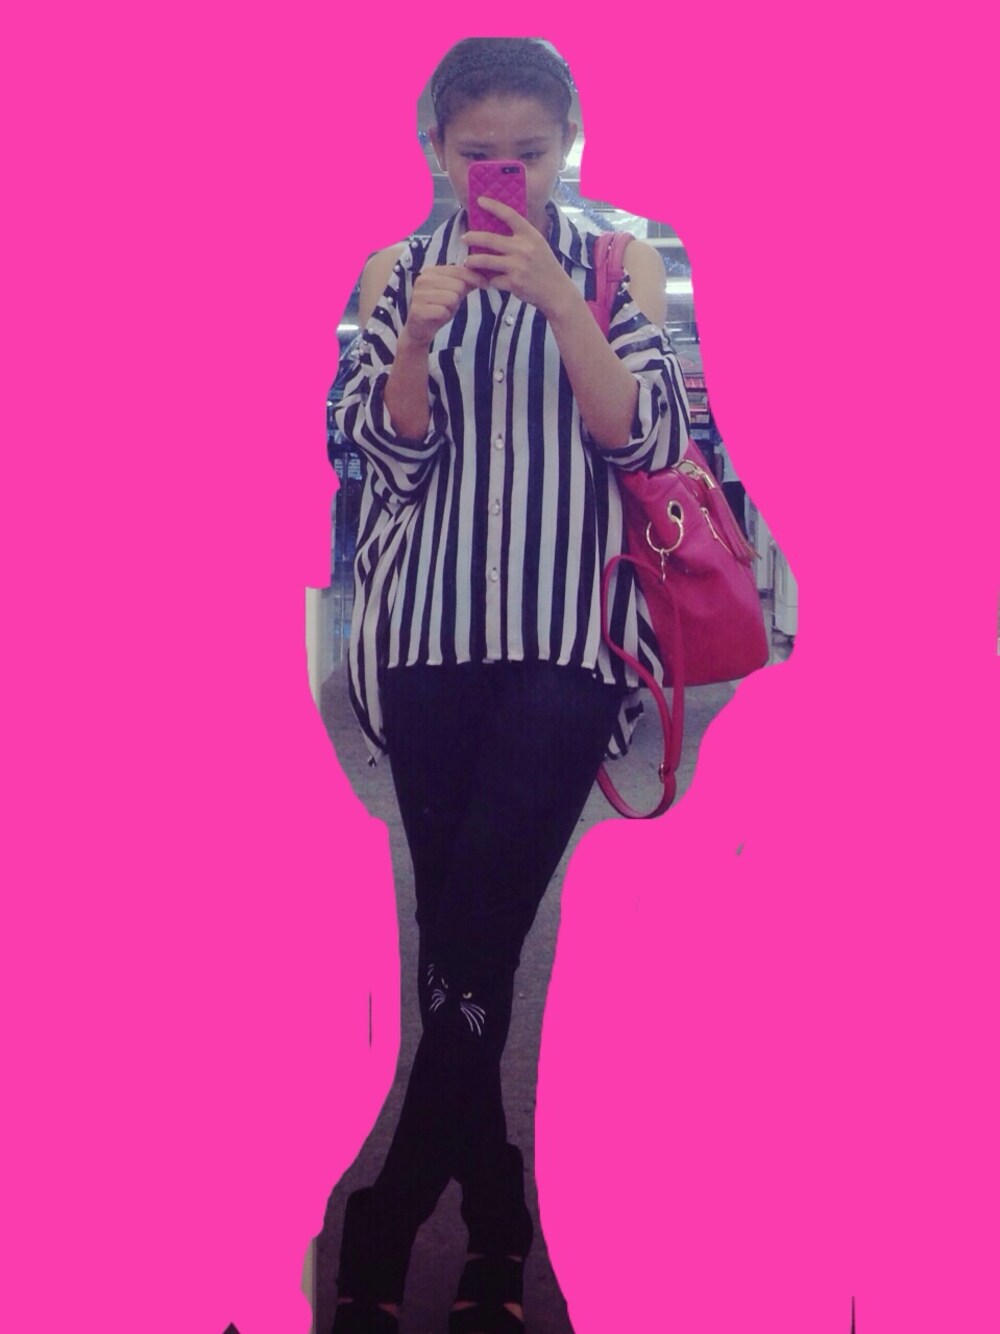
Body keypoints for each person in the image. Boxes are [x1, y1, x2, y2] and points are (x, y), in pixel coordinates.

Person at [329, 37, 690, 1334]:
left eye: (530, 157)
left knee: (478, 933)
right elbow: (378, 461)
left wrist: (564, 305)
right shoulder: (394, 272)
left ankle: (385, 1220)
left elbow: (649, 437)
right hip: (428, 645)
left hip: (565, 648)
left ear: (568, 148)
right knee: (459, 954)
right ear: (437, 150)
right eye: (480, 155)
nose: (506, 178)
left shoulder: (617, 262)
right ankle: (494, 1224)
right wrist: (416, 344)